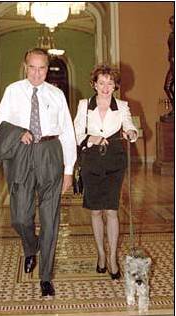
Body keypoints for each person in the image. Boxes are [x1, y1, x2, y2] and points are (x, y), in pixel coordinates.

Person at [0, 48, 76, 296]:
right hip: (22, 153)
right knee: (19, 217)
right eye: (32, 67)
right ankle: (31, 247)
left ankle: (46, 277)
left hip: (50, 152)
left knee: (50, 220)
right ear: (25, 66)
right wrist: (18, 132)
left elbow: (68, 132)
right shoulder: (13, 91)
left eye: (42, 68)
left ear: (47, 68)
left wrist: (69, 170)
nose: (37, 73)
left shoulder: (57, 94)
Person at [74, 64, 138, 280]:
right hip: (91, 160)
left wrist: (131, 132)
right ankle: (101, 253)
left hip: (114, 161)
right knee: (95, 211)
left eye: (110, 83)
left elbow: (131, 126)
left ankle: (112, 258)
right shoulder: (84, 105)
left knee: (111, 210)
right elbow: (76, 133)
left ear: (115, 85)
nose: (106, 87)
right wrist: (90, 138)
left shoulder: (122, 105)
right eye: (101, 82)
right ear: (94, 84)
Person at [162, 15, 174, 120]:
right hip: (172, 63)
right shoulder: (171, 35)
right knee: (167, 87)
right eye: (171, 24)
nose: (172, 26)